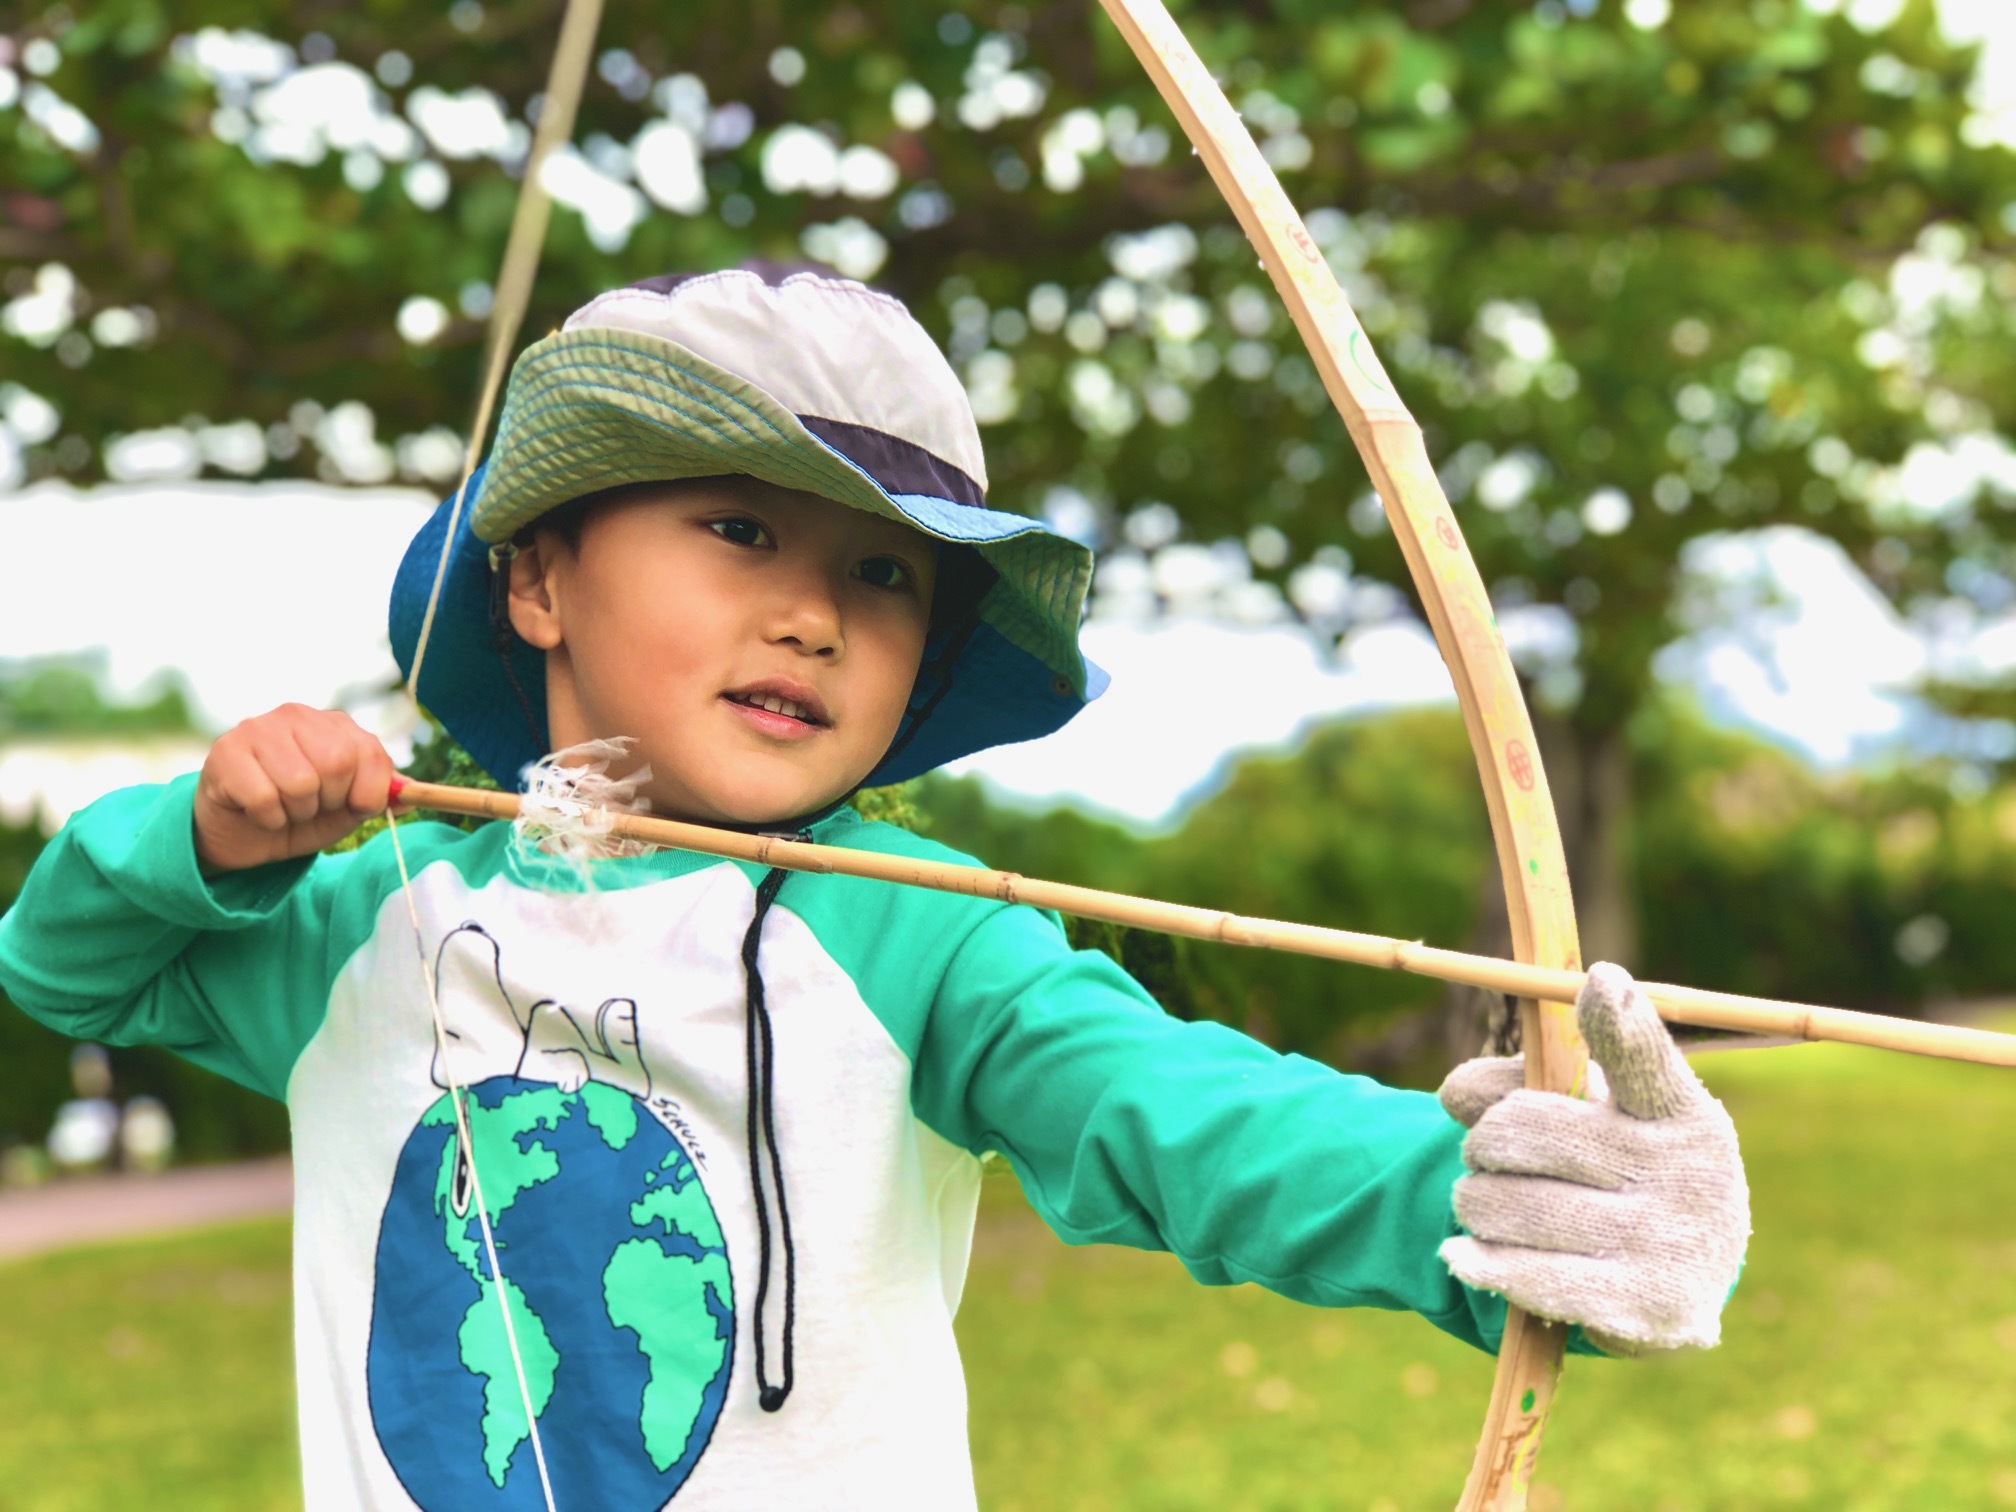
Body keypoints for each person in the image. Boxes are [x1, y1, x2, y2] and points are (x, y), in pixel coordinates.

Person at [0, 263, 1747, 1510]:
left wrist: (1496, 1215)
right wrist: (209, 838)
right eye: (742, 532)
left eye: (886, 576)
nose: (819, 615)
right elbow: (63, 966)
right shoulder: (349, 911)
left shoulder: (925, 930)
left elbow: (1178, 1118)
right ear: (535, 579)